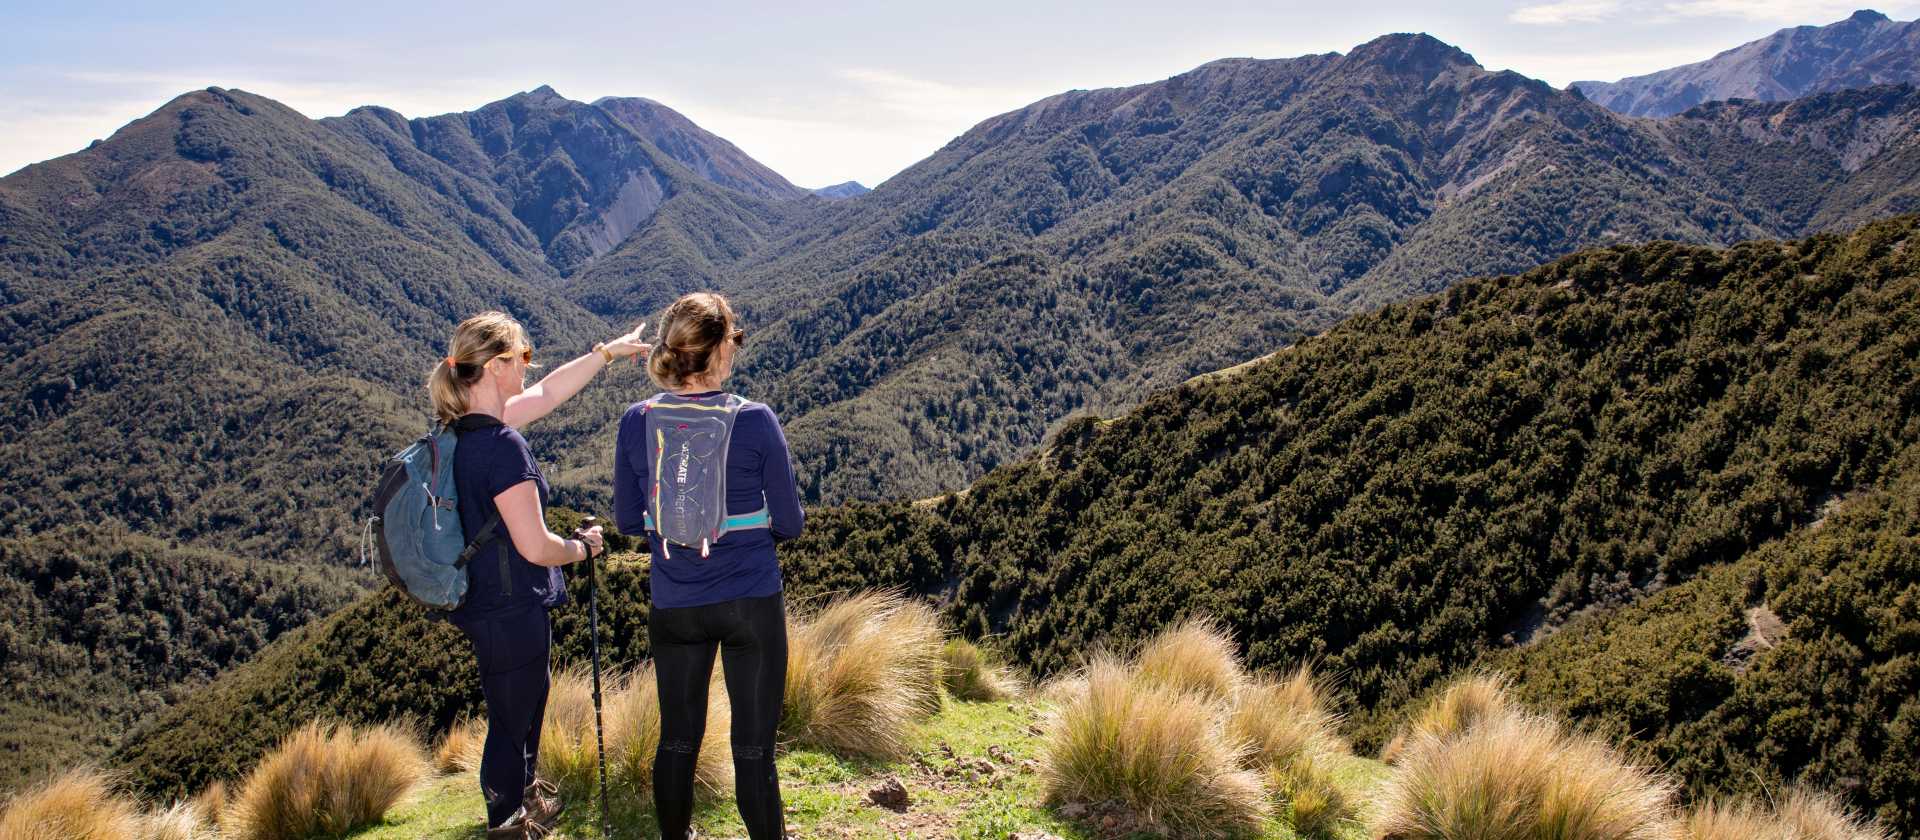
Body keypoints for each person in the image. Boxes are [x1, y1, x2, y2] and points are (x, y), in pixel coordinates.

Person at [427, 310, 650, 839]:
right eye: (523, 357)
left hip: (483, 599)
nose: (529, 366)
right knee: (511, 715)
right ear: (499, 365)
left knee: (524, 701)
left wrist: (606, 354)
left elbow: (549, 393)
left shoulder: (464, 432)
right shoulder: (503, 447)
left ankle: (523, 796)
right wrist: (583, 548)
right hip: (509, 605)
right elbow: (535, 545)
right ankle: (506, 822)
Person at [613, 292, 804, 840]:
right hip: (749, 603)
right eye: (734, 339)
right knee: (752, 748)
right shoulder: (756, 419)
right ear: (720, 350)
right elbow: (790, 524)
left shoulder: (637, 421)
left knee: (676, 739)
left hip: (674, 604)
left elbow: (628, 519)